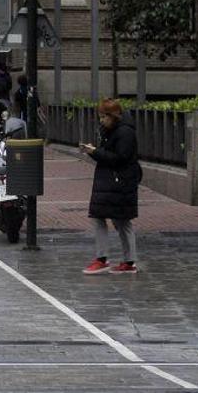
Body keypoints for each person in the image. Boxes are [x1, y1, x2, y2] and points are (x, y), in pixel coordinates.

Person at [81, 99, 142, 275]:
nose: (101, 120)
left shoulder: (125, 132)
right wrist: (94, 151)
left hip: (119, 181)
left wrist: (95, 152)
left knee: (121, 220)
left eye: (103, 117)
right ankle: (112, 259)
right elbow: (108, 155)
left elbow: (119, 158)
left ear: (113, 116)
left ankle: (121, 261)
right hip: (110, 181)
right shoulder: (110, 130)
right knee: (102, 217)